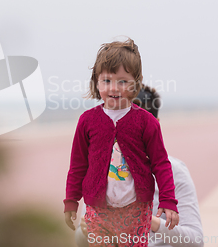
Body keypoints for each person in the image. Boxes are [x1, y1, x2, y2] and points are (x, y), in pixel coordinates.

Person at [64, 38, 179, 247]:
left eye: (122, 81)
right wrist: (71, 200)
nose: (113, 88)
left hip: (136, 209)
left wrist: (168, 201)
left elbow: (161, 163)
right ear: (96, 82)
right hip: (98, 209)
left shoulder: (147, 122)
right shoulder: (87, 121)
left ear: (136, 82)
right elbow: (78, 164)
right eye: (107, 81)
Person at [75, 86, 204, 247]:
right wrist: (88, 230)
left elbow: (196, 240)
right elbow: (79, 238)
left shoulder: (175, 171)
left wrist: (149, 221)